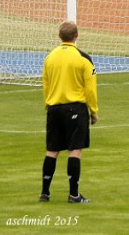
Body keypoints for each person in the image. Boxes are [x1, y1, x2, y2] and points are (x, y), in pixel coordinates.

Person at [39, 21, 98, 204]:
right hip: (75, 108)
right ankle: (74, 195)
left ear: (60, 36)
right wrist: (93, 111)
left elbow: (46, 84)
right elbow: (90, 88)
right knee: (75, 150)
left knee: (52, 150)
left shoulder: (50, 57)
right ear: (76, 35)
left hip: (54, 108)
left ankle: (45, 193)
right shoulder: (83, 58)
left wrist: (48, 103)